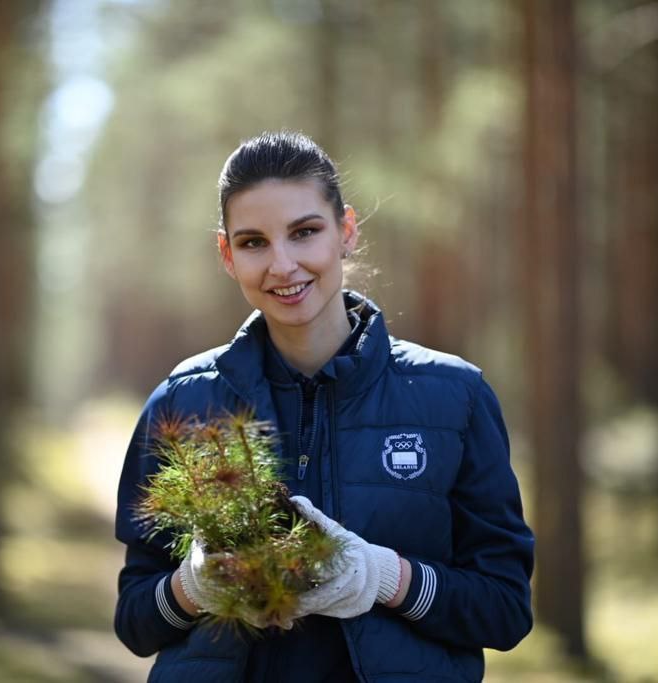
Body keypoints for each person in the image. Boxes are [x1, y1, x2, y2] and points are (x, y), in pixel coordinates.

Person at [114, 131, 534, 682]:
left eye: (304, 232)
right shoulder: (183, 401)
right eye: (253, 242)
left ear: (346, 231)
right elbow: (135, 622)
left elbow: (504, 611)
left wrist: (386, 577)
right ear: (227, 254)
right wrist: (190, 588)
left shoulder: (455, 397)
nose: (282, 265)